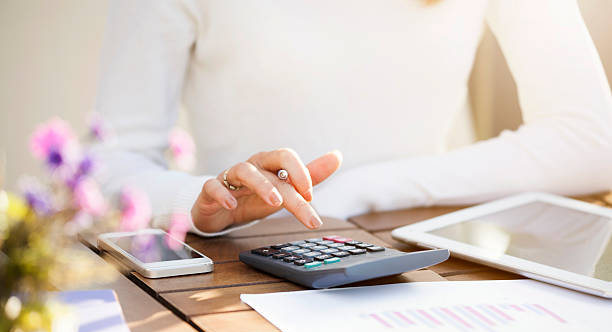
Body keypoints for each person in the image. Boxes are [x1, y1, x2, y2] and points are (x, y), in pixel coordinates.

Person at [94, 0, 612, 236]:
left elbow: (593, 140)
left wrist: (365, 187)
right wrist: (201, 200)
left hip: (421, 262)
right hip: (244, 263)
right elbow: (111, 164)